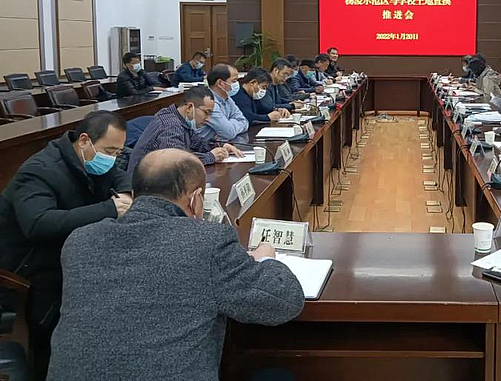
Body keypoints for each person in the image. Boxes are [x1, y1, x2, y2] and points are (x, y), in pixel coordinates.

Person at [47, 149, 306, 381]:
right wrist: (266, 258)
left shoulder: (80, 241)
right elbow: (282, 302)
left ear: (134, 195)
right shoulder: (208, 242)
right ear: (196, 200)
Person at [0, 112, 132, 380]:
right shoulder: (39, 170)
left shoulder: (91, 161)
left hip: (66, 250)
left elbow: (118, 174)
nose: (112, 158)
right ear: (84, 141)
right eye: (109, 151)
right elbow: (38, 224)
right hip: (26, 268)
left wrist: (126, 194)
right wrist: (109, 208)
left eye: (118, 152)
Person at [128, 87, 242, 171]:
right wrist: (210, 156)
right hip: (145, 185)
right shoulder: (170, 125)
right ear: (189, 107)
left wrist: (221, 146)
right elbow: (177, 161)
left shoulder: (181, 120)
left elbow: (198, 143)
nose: (208, 118)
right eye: (206, 112)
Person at [196, 63, 249, 142]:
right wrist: (231, 125)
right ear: (220, 83)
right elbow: (228, 133)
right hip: (204, 146)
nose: (237, 84)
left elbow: (244, 122)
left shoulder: (227, 98)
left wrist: (229, 125)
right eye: (234, 81)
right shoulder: (208, 102)